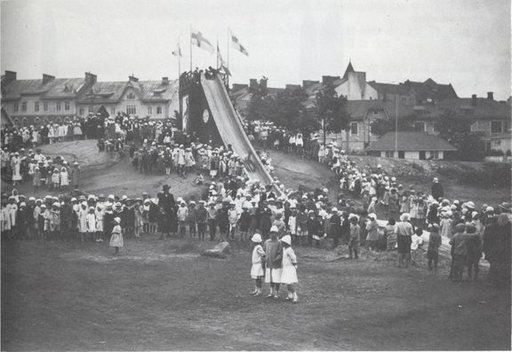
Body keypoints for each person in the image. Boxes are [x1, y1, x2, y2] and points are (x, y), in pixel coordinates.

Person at [483, 213, 511, 287]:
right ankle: (501, 281)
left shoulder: (491, 227)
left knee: (496, 265)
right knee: (503, 266)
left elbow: (486, 239)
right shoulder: (509, 227)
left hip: (497, 250)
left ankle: (495, 281)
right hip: (503, 251)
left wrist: (486, 250)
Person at [263, 226, 283, 299]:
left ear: (277, 234)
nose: (273, 235)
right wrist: (264, 258)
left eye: (274, 233)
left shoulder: (279, 242)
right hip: (269, 263)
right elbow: (264, 251)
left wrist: (276, 259)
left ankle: (276, 292)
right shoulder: (267, 242)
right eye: (271, 233)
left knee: (276, 279)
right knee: (270, 278)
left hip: (276, 264)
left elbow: (280, 254)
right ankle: (271, 292)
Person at [280, 234, 299, 303]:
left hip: (290, 268)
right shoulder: (284, 249)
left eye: (283, 243)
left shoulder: (289, 250)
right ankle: (290, 295)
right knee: (287, 282)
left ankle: (295, 296)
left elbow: (293, 258)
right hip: (285, 268)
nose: (282, 244)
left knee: (290, 283)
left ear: (286, 243)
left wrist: (295, 264)